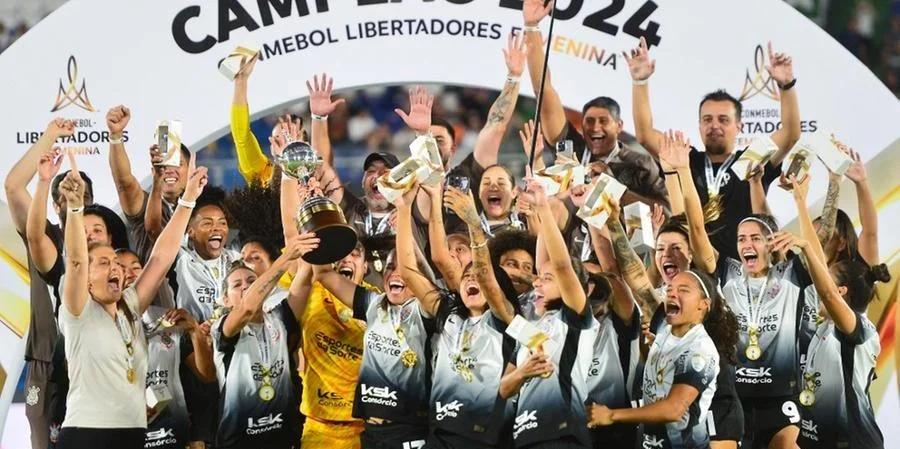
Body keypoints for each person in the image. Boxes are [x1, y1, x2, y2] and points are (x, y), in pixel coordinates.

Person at [55, 152, 207, 449]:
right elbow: (74, 261)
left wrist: (188, 199)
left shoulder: (130, 305)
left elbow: (162, 257)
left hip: (133, 434)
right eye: (101, 263)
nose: (114, 267)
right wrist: (74, 210)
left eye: (115, 261)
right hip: (86, 435)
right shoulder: (77, 309)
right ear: (86, 277)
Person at [626, 37, 801, 261]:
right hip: (695, 266)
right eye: (707, 119)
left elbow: (790, 134)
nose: (714, 125)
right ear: (699, 125)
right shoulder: (684, 158)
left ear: (739, 126)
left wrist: (786, 86)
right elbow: (644, 134)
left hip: (745, 264)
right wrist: (640, 82)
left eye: (723, 119)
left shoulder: (751, 160)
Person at [311, 188, 435, 449]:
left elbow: (423, 273)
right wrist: (318, 214)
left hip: (410, 431)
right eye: (390, 267)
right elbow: (323, 273)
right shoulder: (373, 304)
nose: (394, 274)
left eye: (404, 271)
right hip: (370, 433)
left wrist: (403, 212)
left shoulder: (425, 311)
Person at [402, 183, 520, 449]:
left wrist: (473, 224)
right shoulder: (450, 316)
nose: (470, 280)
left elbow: (489, 281)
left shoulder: (505, 321)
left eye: (477, 275)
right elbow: (409, 271)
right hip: (440, 434)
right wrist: (402, 207)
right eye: (466, 276)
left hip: (485, 437)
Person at [521, 0, 668, 208]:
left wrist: (611, 188)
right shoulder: (571, 147)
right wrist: (531, 27)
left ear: (619, 126)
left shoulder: (640, 164)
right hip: (571, 240)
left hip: (621, 239)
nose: (595, 127)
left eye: (603, 121)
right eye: (589, 121)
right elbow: (543, 91)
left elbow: (667, 213)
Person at [766, 195, 886, 449]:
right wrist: (800, 198)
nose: (817, 286)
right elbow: (820, 262)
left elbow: (828, 292)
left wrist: (806, 248)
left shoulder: (859, 331)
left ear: (841, 292)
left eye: (826, 282)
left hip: (853, 442)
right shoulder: (824, 325)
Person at [499, 179, 599, 448]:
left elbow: (562, 266)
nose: (536, 282)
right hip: (524, 439)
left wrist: (544, 207)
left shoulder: (576, 318)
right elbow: (504, 388)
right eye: (539, 278)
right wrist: (522, 373)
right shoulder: (530, 329)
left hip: (563, 435)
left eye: (546, 279)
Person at [588, 270, 726, 449]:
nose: (672, 293)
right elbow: (661, 375)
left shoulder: (699, 350)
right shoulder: (665, 332)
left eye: (683, 290)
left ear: (704, 304)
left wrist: (611, 415)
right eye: (669, 289)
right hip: (651, 443)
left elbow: (674, 409)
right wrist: (647, 349)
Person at [5, 118, 75, 449]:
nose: (73, 198)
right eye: (64, 194)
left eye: (81, 194)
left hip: (89, 362)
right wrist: (49, 137)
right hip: (45, 362)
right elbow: (13, 188)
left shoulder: (104, 255)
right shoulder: (44, 239)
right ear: (55, 205)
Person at [212, 237, 319, 449]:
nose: (246, 287)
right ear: (225, 299)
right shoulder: (223, 328)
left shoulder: (279, 318)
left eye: (252, 282)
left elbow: (304, 280)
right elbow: (246, 308)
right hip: (238, 441)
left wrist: (311, 241)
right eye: (237, 285)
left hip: (283, 437)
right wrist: (287, 256)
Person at [105, 105, 192, 262]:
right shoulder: (145, 204)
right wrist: (116, 135)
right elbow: (124, 183)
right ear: (153, 172)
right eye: (163, 166)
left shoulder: (203, 209)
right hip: (154, 285)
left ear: (190, 170)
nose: (170, 170)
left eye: (177, 164)